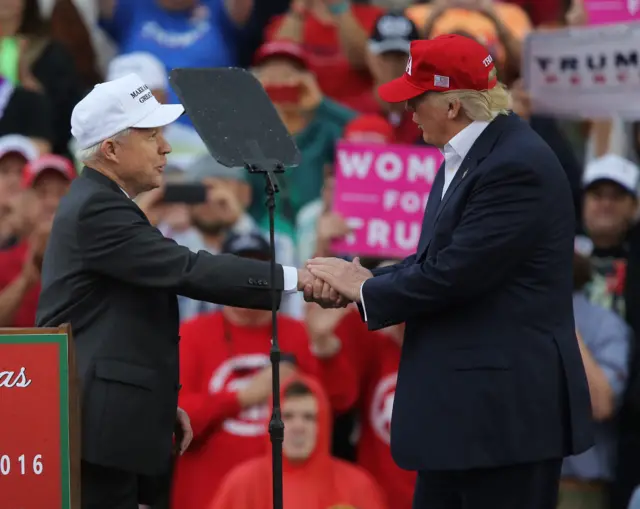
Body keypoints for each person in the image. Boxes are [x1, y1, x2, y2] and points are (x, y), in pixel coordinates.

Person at [305, 35, 594, 509]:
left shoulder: (515, 165)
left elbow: (454, 274)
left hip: (503, 422)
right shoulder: (470, 154)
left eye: (416, 99)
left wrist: (366, 289)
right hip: (466, 416)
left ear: (454, 105)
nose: (409, 112)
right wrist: (363, 284)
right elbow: (435, 261)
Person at [35, 73, 312, 509]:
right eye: (152, 135)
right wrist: (298, 280)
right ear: (111, 149)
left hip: (107, 424)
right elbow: (187, 269)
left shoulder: (101, 202)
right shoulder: (96, 208)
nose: (166, 147)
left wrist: (160, 404)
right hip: (95, 429)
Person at [209, 374, 387, 509]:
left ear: (324, 424)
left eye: (309, 417)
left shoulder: (358, 486)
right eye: (287, 416)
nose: (298, 426)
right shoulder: (241, 484)